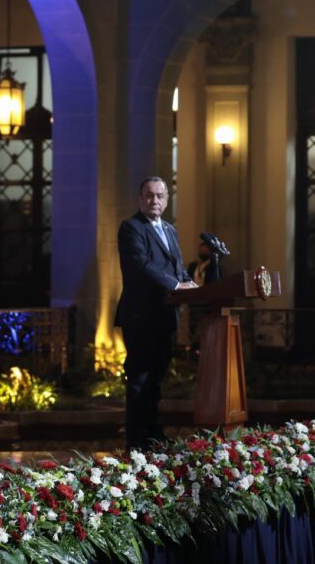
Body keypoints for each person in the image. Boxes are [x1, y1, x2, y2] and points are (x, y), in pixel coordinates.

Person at [114, 176, 197, 451]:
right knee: (139, 379)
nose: (155, 201)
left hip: (164, 316)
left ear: (167, 199)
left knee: (156, 380)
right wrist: (176, 285)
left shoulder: (170, 230)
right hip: (140, 317)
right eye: (149, 195)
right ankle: (136, 440)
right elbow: (141, 266)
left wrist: (191, 284)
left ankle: (154, 435)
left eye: (160, 196)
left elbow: (178, 267)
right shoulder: (131, 228)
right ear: (140, 199)